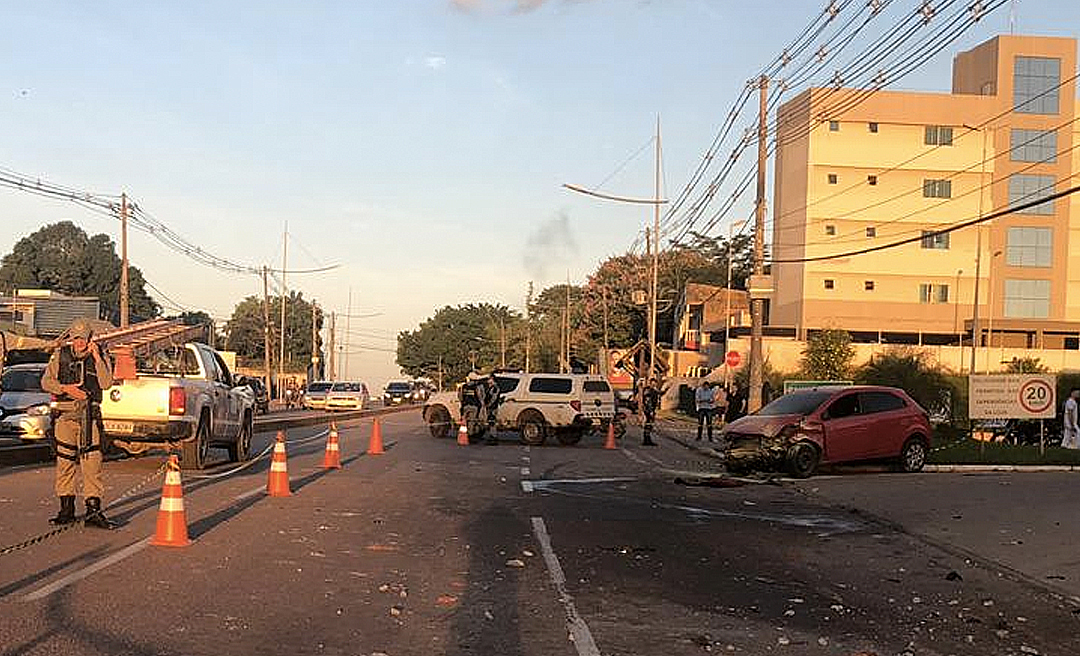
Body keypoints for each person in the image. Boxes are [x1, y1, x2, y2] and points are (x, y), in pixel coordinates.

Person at [41, 319, 115, 529]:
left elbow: (106, 383)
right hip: (65, 415)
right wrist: (66, 389)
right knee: (65, 463)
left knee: (92, 463)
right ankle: (66, 509)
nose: (79, 342)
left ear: (90, 339)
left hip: (89, 416)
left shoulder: (99, 355)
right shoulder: (60, 356)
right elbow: (46, 382)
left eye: (83, 338)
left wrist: (97, 357)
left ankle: (93, 510)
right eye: (76, 338)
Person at [641, 378, 665, 446]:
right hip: (649, 410)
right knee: (648, 424)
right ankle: (647, 440)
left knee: (649, 425)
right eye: (653, 383)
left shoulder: (653, 390)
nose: (654, 384)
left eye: (655, 383)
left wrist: (666, 389)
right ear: (650, 383)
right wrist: (650, 410)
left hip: (650, 410)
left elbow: (659, 393)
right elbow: (648, 401)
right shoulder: (648, 391)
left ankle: (647, 439)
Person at [479, 373, 502, 445]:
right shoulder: (491, 387)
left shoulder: (495, 388)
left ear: (492, 379)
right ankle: (492, 437)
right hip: (490, 407)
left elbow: (494, 398)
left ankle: (493, 437)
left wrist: (489, 404)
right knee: (490, 422)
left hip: (493, 407)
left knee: (492, 422)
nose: (488, 380)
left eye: (489, 379)